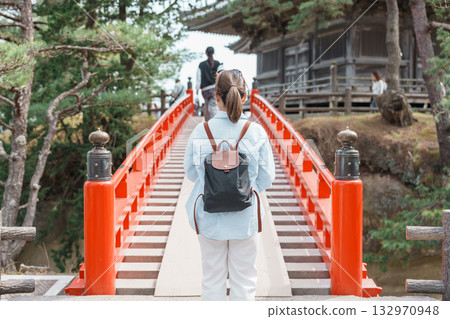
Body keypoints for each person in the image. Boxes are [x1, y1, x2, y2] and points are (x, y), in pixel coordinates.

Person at [184, 69, 275, 301]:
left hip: (209, 215)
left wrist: (215, 181)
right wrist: (244, 187)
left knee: (212, 280)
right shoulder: (256, 132)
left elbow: (192, 173)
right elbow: (267, 177)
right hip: (245, 217)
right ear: (244, 97)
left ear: (216, 96)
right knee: (244, 282)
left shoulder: (200, 131)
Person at [196, 47, 220, 121]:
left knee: (207, 105)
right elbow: (221, 76)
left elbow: (198, 78)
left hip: (205, 90)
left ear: (206, 53)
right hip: (214, 88)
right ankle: (213, 123)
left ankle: (208, 122)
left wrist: (197, 89)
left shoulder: (201, 65)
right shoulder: (218, 64)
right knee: (213, 106)